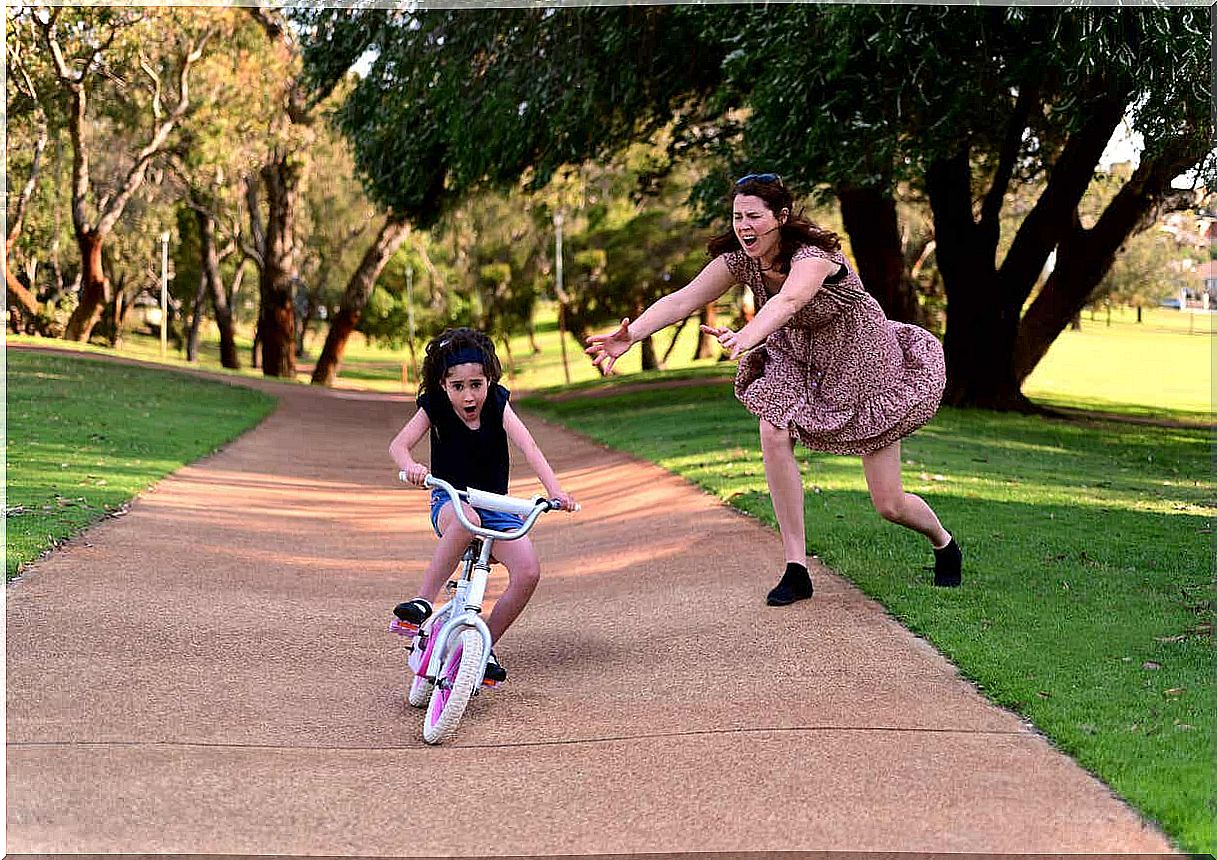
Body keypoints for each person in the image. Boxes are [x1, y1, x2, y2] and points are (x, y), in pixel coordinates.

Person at [585, 173, 961, 604]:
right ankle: (796, 567)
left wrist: (746, 337)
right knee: (773, 427)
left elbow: (789, 301)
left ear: (780, 217)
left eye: (753, 217)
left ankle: (943, 542)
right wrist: (631, 337)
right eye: (737, 217)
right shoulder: (740, 260)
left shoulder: (815, 256)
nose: (744, 226)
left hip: (863, 362)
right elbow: (684, 299)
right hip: (797, 356)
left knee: (889, 504)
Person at [389, 327, 576, 682]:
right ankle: (422, 602)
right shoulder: (435, 408)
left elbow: (529, 447)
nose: (469, 395)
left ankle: (483, 644)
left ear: (489, 380)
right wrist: (411, 468)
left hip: (498, 506)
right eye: (458, 386)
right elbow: (398, 446)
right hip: (452, 499)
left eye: (476, 384)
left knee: (528, 572)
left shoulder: (497, 404)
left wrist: (556, 491)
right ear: (444, 386)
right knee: (465, 520)